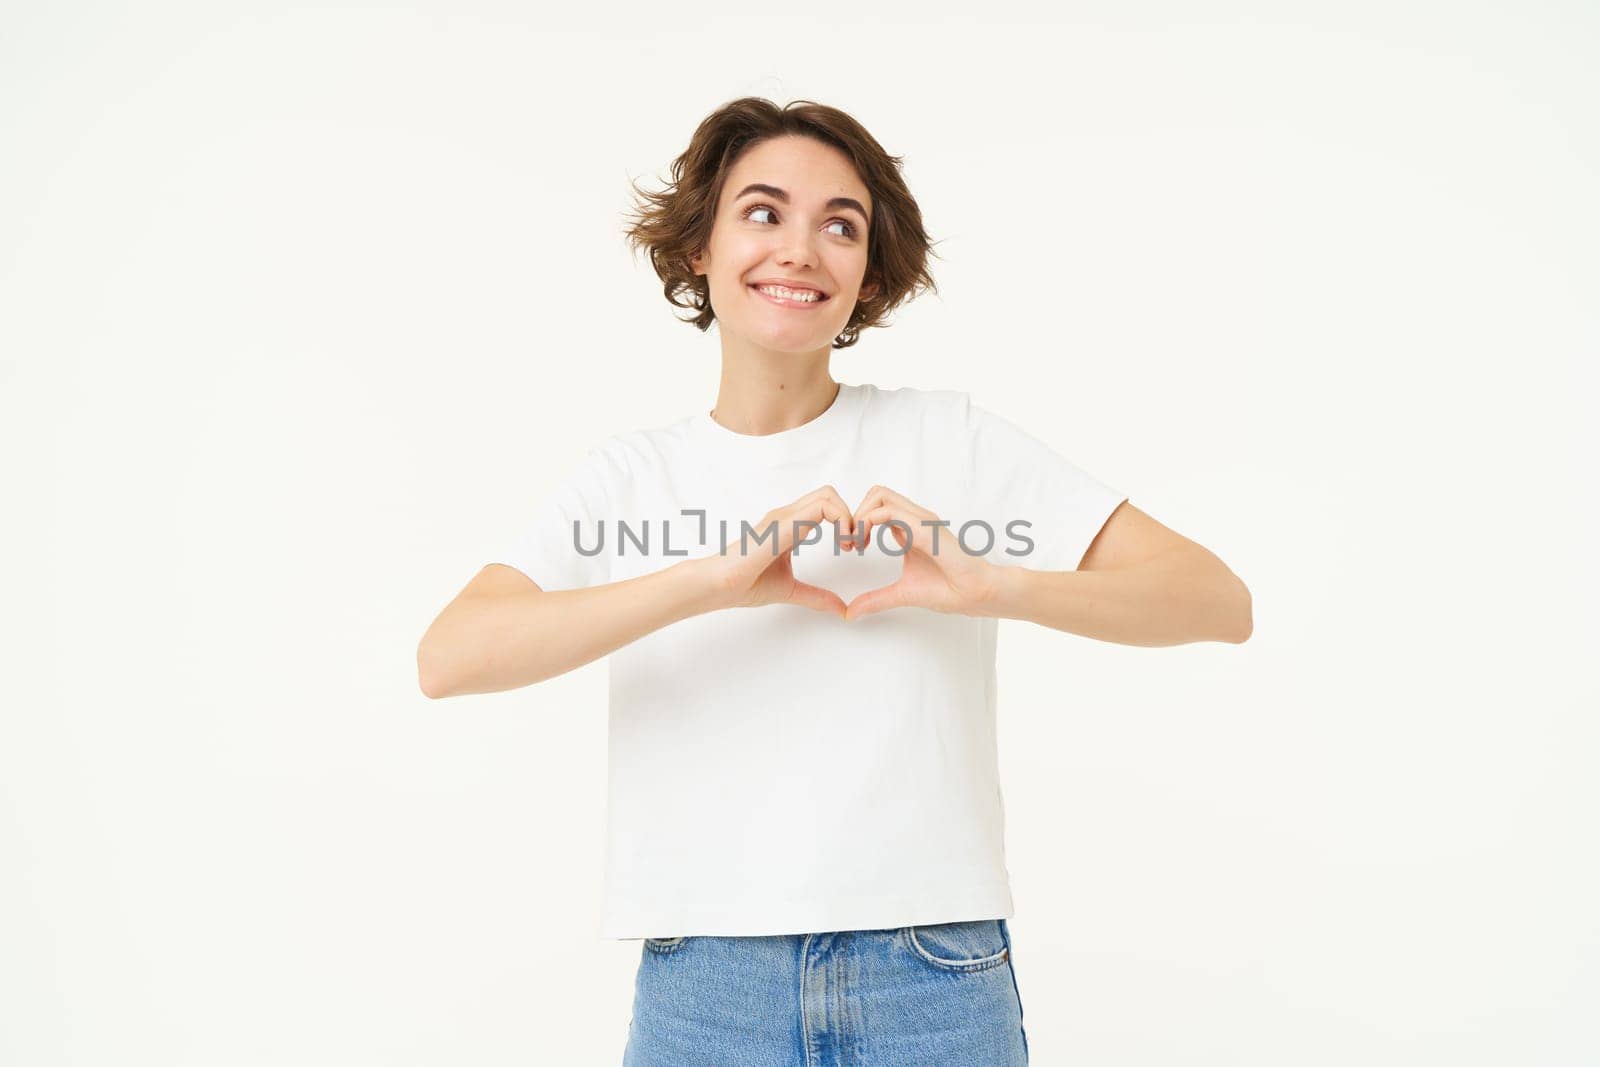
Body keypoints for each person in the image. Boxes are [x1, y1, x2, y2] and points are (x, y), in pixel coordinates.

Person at [417, 97, 1252, 1067]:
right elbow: (449, 656)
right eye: (763, 212)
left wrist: (996, 585)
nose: (801, 249)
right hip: (705, 983)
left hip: (935, 971)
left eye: (840, 224)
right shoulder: (628, 476)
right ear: (699, 246)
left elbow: (1213, 597)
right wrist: (710, 581)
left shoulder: (950, 439)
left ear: (868, 273)